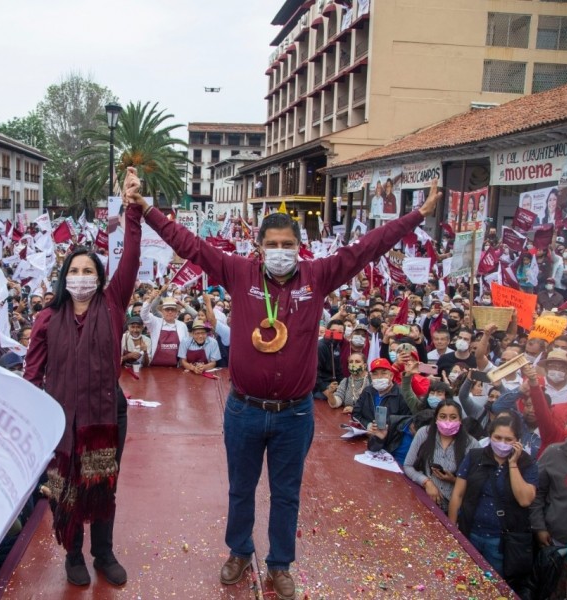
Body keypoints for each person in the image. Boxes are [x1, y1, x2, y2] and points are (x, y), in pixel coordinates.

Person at [128, 172, 440, 600]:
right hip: (243, 410)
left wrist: (416, 215)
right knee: (240, 488)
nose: (279, 252)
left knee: (287, 494)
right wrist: (146, 208)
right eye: (271, 245)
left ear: (299, 247)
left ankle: (280, 564)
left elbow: (369, 247)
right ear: (259, 248)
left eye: (286, 245)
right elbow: (189, 244)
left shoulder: (319, 275)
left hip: (294, 414)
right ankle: (239, 551)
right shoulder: (238, 272)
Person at [23, 167, 143, 587]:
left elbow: (130, 256)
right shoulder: (45, 319)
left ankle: (102, 553)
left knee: (102, 484)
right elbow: (32, 373)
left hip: (107, 414)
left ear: (100, 278)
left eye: (88, 271)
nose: (80, 278)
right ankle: (73, 553)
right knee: (66, 487)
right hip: (59, 420)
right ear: (63, 278)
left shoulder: (112, 305)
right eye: (73, 272)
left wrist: (131, 210)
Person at [448, 415, 538, 592]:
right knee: (463, 583)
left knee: (492, 588)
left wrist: (513, 464)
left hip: (501, 542)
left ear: (517, 441)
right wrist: (452, 531)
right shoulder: (475, 456)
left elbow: (525, 499)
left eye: (508, 439)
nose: (502, 443)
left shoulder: (527, 463)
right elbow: (458, 494)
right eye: (497, 438)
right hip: (470, 533)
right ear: (490, 437)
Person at [403, 399, 479, 512]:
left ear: (460, 420)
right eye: (443, 416)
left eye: (453, 417)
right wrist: (426, 482)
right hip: (423, 501)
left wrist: (454, 480)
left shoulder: (472, 444)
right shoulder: (424, 433)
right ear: (436, 418)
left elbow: (476, 483)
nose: (448, 421)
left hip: (454, 508)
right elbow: (408, 466)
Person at [141, 294, 188, 367]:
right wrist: (149, 300)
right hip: (155, 367)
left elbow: (186, 346)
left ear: (176, 312)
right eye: (167, 309)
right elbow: (144, 315)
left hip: (176, 368)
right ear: (162, 311)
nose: (170, 312)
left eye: (172, 309)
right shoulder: (155, 322)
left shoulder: (182, 325)